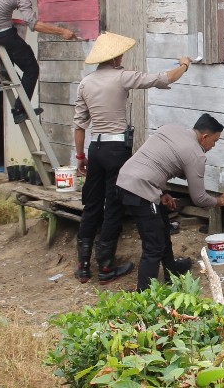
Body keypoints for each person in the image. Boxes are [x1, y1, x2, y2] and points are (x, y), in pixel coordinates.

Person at [72, 32, 193, 284]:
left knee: (92, 204)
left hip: (96, 148)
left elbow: (80, 125)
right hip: (117, 150)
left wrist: (80, 156)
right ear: (115, 57)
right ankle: (105, 265)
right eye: (121, 55)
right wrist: (184, 65)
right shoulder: (122, 76)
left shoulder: (86, 82)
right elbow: (163, 78)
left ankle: (83, 265)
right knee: (114, 207)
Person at [116, 114, 224, 291]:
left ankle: (171, 270)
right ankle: (144, 294)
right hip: (141, 190)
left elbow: (155, 162)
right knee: (154, 246)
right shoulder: (196, 155)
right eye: (214, 141)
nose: (214, 146)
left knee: (163, 227)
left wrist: (163, 193)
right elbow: (199, 198)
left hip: (124, 179)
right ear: (205, 137)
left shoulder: (170, 129)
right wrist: (221, 201)